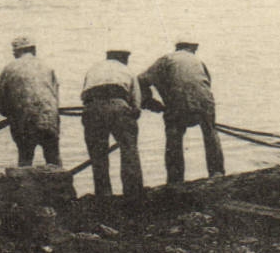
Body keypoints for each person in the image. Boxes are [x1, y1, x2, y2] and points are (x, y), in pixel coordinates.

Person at [139, 39, 224, 183]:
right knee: (210, 132)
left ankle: (175, 179)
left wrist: (150, 103)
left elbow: (140, 81)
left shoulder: (166, 59)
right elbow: (206, 82)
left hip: (177, 104)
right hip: (205, 103)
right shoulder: (197, 60)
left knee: (174, 135)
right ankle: (217, 173)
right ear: (192, 48)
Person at [81, 48, 143, 199]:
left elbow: (84, 96)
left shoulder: (93, 69)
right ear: (123, 58)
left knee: (98, 154)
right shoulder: (126, 70)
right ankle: (133, 193)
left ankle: (103, 194)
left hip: (92, 108)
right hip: (118, 105)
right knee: (129, 149)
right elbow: (136, 105)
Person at [0, 36, 61, 167]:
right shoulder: (47, 67)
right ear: (34, 49)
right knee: (53, 157)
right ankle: (60, 184)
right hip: (49, 118)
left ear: (17, 51)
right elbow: (55, 94)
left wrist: (9, 114)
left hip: (24, 120)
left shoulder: (9, 68)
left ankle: (26, 184)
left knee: (25, 158)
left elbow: (0, 98)